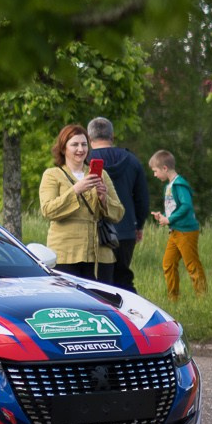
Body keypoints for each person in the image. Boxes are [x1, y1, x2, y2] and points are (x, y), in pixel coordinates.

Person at [38, 122, 124, 280]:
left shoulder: (101, 174)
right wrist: (76, 190)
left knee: (100, 302)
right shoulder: (52, 175)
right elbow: (48, 210)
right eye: (75, 145)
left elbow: (118, 213)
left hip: (99, 254)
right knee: (69, 301)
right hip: (65, 253)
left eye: (84, 144)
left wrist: (104, 199)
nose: (80, 149)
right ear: (64, 148)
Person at [87, 117, 151, 293]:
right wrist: (138, 225)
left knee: (97, 282)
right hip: (125, 229)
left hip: (95, 230)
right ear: (112, 136)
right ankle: (133, 315)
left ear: (89, 138)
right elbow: (142, 198)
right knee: (123, 278)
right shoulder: (132, 160)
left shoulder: (85, 161)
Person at [148, 149, 208, 299]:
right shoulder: (168, 186)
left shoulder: (179, 184)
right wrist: (163, 217)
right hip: (174, 232)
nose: (154, 175)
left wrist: (170, 219)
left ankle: (203, 297)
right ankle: (173, 298)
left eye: (155, 171)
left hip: (186, 231)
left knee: (192, 265)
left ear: (164, 168)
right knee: (168, 263)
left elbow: (186, 205)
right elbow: (174, 208)